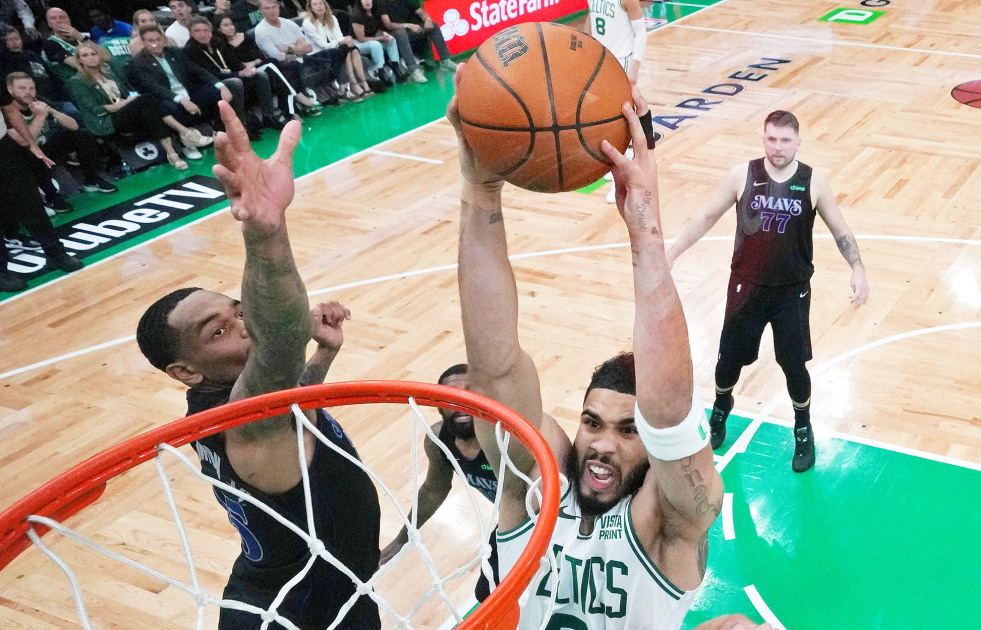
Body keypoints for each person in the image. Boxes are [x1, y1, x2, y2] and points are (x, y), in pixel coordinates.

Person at [451, 62, 724, 629]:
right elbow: (495, 365)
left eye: (629, 432)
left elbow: (671, 418)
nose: (601, 444)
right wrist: (479, 189)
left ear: (652, 454)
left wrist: (646, 231)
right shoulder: (534, 488)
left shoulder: (664, 526)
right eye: (593, 422)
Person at [134, 102, 381, 629]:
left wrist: (323, 356)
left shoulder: (239, 407)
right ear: (186, 371)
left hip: (323, 593)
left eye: (238, 311)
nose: (242, 324)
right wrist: (266, 233)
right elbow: (280, 341)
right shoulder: (242, 419)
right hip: (298, 615)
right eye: (217, 330)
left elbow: (297, 421)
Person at [666, 110, 870, 473]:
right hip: (746, 287)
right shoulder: (741, 175)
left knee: (793, 365)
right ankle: (721, 411)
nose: (778, 148)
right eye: (771, 139)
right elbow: (705, 217)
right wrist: (674, 252)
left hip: (792, 292)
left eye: (785, 140)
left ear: (798, 142)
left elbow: (841, 230)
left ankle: (803, 429)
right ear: (763, 139)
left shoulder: (813, 181)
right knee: (728, 360)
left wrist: (857, 267)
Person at [379, 363, 499, 602]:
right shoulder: (438, 440)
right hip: (513, 518)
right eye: (451, 396)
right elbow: (434, 490)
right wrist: (405, 536)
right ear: (439, 407)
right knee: (487, 594)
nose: (461, 401)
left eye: (469, 392)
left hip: (553, 512)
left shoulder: (505, 437)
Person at [66, 40, 197, 170]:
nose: (91, 57)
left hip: (126, 111)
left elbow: (124, 81)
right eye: (85, 55)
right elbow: (95, 110)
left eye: (93, 54)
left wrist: (130, 98)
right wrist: (127, 102)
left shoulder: (109, 73)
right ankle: (184, 134)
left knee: (150, 110)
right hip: (106, 120)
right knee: (147, 99)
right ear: (79, 60)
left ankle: (172, 153)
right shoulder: (76, 82)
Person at [0, 107, 84, 293]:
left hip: (3, 148)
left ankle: (56, 254)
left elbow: (10, 111)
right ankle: (1, 272)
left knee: (31, 203)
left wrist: (32, 145)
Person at [3, 71, 116, 197]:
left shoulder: (39, 100)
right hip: (25, 155)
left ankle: (92, 180)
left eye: (31, 88)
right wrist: (40, 116)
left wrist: (51, 110)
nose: (28, 92)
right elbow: (25, 142)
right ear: (10, 90)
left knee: (82, 135)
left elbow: (74, 126)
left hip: (48, 145)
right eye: (22, 88)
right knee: (31, 154)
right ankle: (52, 197)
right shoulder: (6, 112)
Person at [128, 25, 250, 139]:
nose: (156, 43)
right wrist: (181, 100)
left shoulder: (174, 52)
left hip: (190, 93)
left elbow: (197, 70)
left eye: (158, 39)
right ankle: (188, 139)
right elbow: (154, 87)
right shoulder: (139, 62)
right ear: (144, 43)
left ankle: (224, 129)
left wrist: (221, 85)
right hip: (170, 98)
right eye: (151, 41)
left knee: (232, 85)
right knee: (166, 107)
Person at [589, 0, 645, 204]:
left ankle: (621, 181)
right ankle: (612, 165)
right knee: (601, 118)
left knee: (620, 122)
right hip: (600, 61)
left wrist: (634, 68)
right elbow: (592, 21)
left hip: (622, 62)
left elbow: (641, 33)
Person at [185, 16, 266, 135]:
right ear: (191, 33)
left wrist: (245, 69)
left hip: (226, 77)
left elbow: (233, 61)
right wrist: (238, 73)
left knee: (260, 75)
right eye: (197, 31)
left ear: (211, 31)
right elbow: (209, 74)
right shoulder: (190, 50)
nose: (203, 34)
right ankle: (241, 127)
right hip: (206, 86)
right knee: (235, 82)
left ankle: (268, 116)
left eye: (206, 30)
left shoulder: (217, 42)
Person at [213, 12, 295, 126]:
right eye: (225, 25)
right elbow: (232, 65)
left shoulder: (246, 36)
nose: (230, 27)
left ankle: (284, 110)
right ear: (218, 29)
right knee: (272, 67)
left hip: (256, 66)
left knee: (272, 64)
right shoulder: (221, 46)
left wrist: (251, 63)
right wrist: (246, 65)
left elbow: (259, 57)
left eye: (231, 24)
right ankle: (290, 109)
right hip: (242, 73)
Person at [252, 0, 327, 115]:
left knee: (335, 54)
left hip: (302, 57)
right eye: (267, 8)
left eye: (274, 7)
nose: (272, 11)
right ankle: (303, 101)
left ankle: (340, 92)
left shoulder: (288, 23)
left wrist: (289, 49)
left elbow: (307, 46)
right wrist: (297, 49)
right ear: (261, 11)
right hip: (282, 66)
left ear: (279, 7)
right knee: (293, 65)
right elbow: (277, 56)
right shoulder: (261, 31)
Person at [302, 0, 372, 101]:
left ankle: (364, 84)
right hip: (317, 55)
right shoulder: (308, 23)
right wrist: (341, 42)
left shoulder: (332, 18)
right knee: (343, 50)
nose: (319, 7)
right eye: (315, 5)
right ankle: (354, 85)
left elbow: (339, 37)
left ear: (325, 5)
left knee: (351, 47)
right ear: (311, 8)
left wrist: (346, 40)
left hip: (334, 50)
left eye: (321, 4)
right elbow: (323, 45)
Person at [379, 0, 454, 77]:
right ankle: (413, 69)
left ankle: (445, 60)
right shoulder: (382, 3)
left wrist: (427, 19)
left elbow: (421, 12)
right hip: (397, 33)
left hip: (415, 29)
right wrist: (407, 25)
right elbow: (388, 24)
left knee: (433, 25)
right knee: (401, 33)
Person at [42, 7, 111, 82]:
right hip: (79, 83)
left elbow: (107, 57)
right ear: (49, 24)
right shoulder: (50, 44)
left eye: (62, 17)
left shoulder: (82, 38)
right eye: (53, 18)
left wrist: (80, 37)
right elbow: (80, 66)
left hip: (103, 77)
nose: (59, 21)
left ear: (69, 20)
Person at [349, 0, 408, 84]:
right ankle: (381, 71)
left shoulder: (375, 13)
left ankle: (396, 68)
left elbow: (376, 29)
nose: (367, 1)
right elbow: (361, 38)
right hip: (357, 43)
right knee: (376, 45)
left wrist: (384, 34)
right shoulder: (357, 16)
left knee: (391, 40)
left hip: (372, 39)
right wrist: (380, 38)